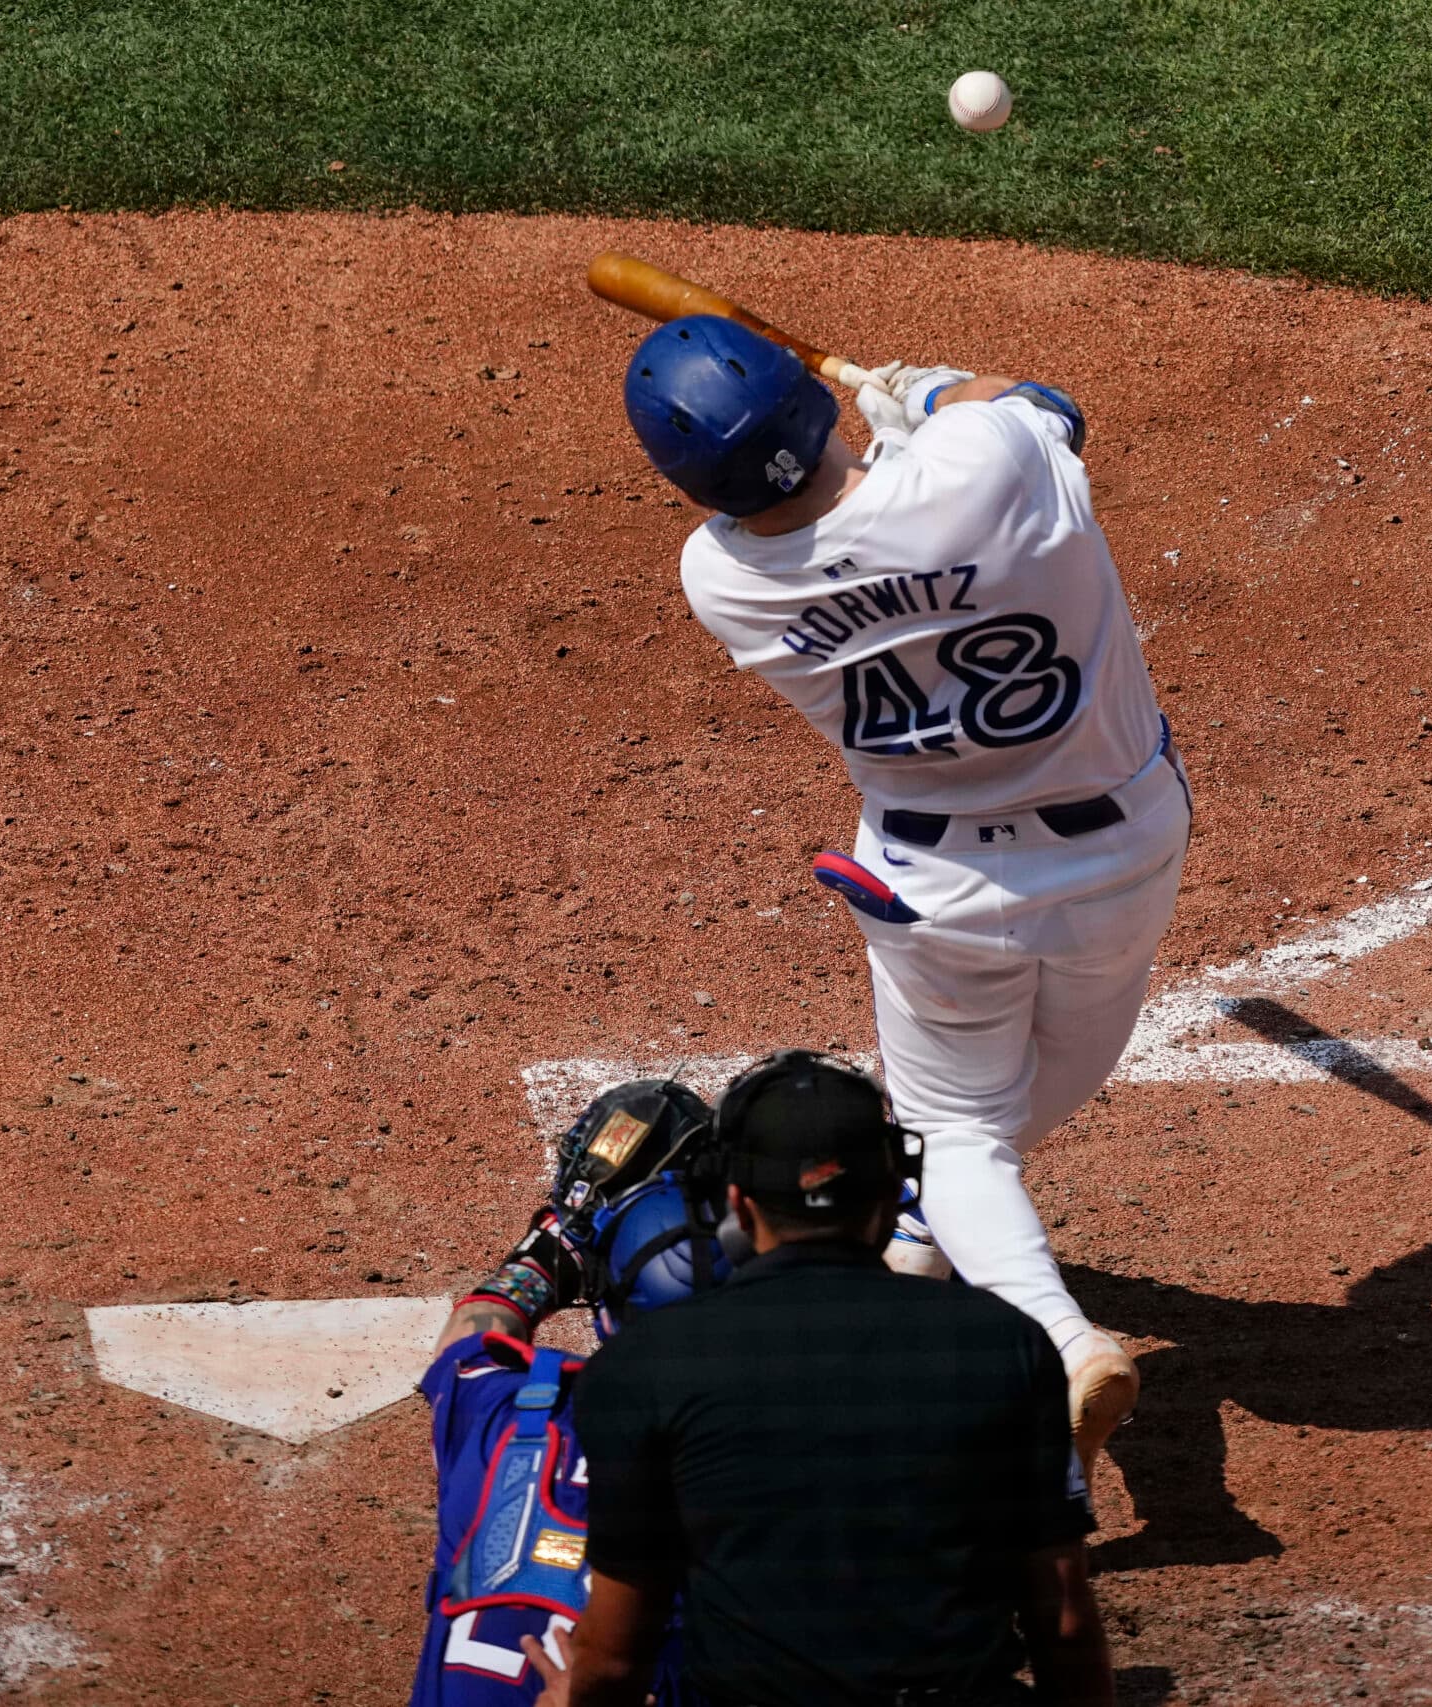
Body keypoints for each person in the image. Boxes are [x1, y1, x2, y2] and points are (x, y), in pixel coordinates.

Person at [620, 316, 1189, 1461]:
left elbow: (846, 531)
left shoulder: (720, 581)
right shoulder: (989, 468)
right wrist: (916, 391)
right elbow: (1040, 397)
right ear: (806, 406)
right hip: (1119, 855)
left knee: (957, 1133)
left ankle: (1034, 1322)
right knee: (995, 1124)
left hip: (939, 890)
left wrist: (897, 424)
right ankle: (953, 1265)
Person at [538, 1050, 1114, 1707]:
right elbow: (1063, 1624)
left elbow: (614, 1662)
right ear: (893, 1185)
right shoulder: (1005, 1343)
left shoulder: (643, 1366)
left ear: (735, 1202)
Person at [407, 1079, 724, 1707]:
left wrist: (558, 1242)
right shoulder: (753, 1489)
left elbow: (471, 1335)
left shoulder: (504, 1415)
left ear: (606, 1317)